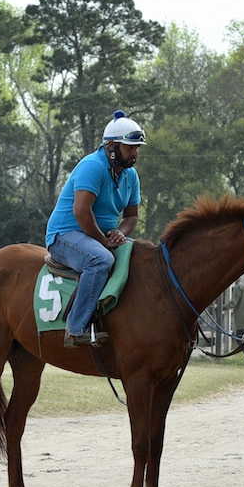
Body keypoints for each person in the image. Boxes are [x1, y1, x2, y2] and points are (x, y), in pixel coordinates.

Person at [44, 110, 146, 347]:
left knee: (143, 255)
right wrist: (103, 241)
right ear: (111, 146)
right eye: (130, 148)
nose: (135, 153)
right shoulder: (92, 166)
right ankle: (75, 328)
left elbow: (132, 216)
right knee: (100, 260)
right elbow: (81, 212)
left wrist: (121, 232)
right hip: (65, 235)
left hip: (97, 237)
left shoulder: (131, 175)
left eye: (137, 148)